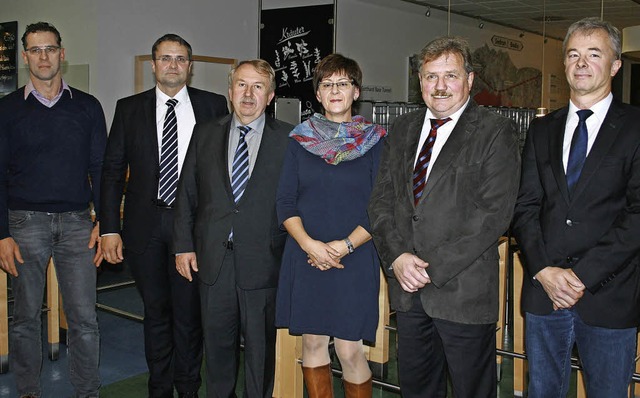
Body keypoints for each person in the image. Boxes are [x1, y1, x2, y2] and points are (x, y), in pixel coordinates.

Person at [368, 36, 520, 398]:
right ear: (419, 80)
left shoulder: (495, 132)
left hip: (462, 293)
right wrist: (397, 258)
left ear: (469, 80)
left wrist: (428, 267)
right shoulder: (402, 129)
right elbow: (382, 201)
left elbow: (493, 215)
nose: (439, 86)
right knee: (417, 390)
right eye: (430, 76)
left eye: (450, 76)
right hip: (407, 293)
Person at [512, 17, 640, 398]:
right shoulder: (542, 129)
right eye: (573, 54)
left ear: (615, 65)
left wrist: (581, 276)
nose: (581, 63)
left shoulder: (635, 127)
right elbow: (526, 206)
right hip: (544, 294)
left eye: (594, 54)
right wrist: (544, 270)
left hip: (608, 296)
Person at [99, 34, 228, 398]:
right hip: (145, 227)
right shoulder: (128, 108)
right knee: (156, 313)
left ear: (191, 65)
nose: (173, 65)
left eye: (181, 58)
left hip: (195, 227)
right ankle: (159, 389)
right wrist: (109, 228)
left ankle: (188, 388)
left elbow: (226, 171)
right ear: (154, 64)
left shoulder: (213, 105)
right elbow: (111, 171)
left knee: (189, 317)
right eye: (166, 58)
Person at [173, 59, 292, 398]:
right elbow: (187, 193)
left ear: (270, 96)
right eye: (241, 85)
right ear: (230, 91)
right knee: (218, 352)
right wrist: (183, 245)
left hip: (265, 262)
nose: (248, 93)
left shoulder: (289, 140)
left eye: (258, 87)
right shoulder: (205, 133)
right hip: (214, 263)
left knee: (261, 354)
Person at [0, 22, 106, 398]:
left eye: (50, 48)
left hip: (78, 223)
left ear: (62, 53)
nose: (43, 56)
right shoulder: (7, 110)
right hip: (24, 223)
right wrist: (2, 234)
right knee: (25, 317)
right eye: (35, 49)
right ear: (25, 56)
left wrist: (105, 223)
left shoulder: (88, 107)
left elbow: (101, 169)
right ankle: (28, 391)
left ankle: (87, 391)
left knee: (84, 319)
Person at [275, 53, 386, 397]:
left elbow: (381, 205)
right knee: (312, 343)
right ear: (318, 94)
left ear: (356, 91)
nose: (335, 90)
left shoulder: (376, 142)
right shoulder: (299, 141)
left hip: (354, 256)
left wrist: (344, 246)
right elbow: (285, 201)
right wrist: (311, 245)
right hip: (306, 255)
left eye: (343, 83)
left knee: (349, 349)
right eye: (327, 84)